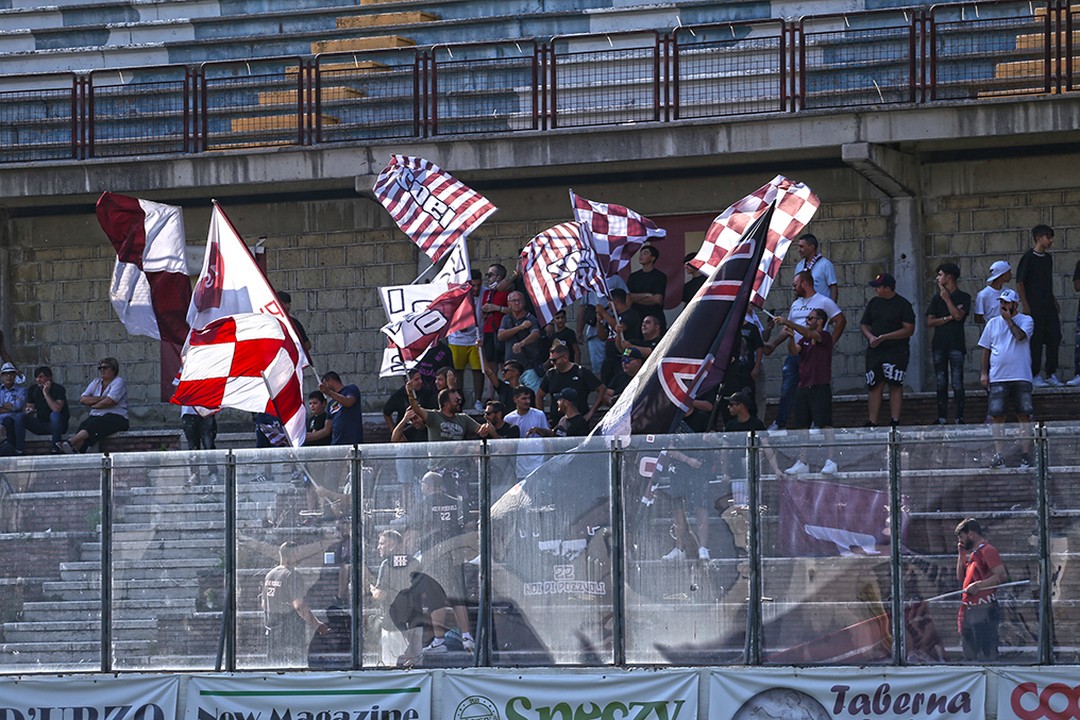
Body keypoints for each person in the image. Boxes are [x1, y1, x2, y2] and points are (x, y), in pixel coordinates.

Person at [763, 271, 845, 432]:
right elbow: (788, 328)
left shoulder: (823, 301)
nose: (793, 288)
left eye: (795, 284)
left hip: (815, 355)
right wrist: (773, 344)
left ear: (805, 284)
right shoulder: (796, 304)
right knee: (789, 387)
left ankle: (817, 422)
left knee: (815, 388)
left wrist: (829, 342)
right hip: (799, 350)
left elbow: (840, 320)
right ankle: (781, 422)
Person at [775, 308, 838, 475]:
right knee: (802, 426)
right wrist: (789, 336)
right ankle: (802, 461)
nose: (808, 321)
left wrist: (788, 322)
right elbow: (794, 351)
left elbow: (812, 336)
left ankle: (831, 460)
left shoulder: (824, 336)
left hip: (820, 385)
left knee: (825, 424)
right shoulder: (803, 339)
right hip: (803, 386)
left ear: (820, 321)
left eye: (811, 318)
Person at [978, 288, 1035, 469]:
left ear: (1014, 304)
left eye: (1006, 303)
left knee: (1024, 415)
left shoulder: (1026, 320)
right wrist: (984, 373)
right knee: (997, 416)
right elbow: (985, 349)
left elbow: (1020, 337)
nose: (1002, 306)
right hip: (998, 377)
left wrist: (1009, 320)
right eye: (1001, 302)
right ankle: (999, 454)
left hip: (1021, 375)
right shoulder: (992, 323)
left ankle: (1025, 454)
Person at [860, 273, 916, 428]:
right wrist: (871, 337)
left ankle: (895, 420)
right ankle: (872, 421)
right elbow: (864, 324)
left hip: (896, 350)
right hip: (875, 350)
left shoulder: (903, 305)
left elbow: (909, 330)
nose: (876, 290)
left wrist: (885, 337)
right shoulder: (873, 303)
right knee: (874, 384)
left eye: (878, 287)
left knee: (895, 384)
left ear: (888, 288)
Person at [263, 541, 329, 666]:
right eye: (298, 553)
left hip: (272, 631)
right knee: (294, 667)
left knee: (274, 668)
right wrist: (317, 625)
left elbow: (264, 604)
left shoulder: (270, 575)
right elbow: (299, 606)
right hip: (290, 632)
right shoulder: (292, 575)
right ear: (292, 555)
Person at [955, 518, 1007, 662]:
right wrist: (961, 555)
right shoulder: (974, 554)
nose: (960, 541)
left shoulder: (988, 551)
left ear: (971, 534)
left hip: (984, 609)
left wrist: (978, 585)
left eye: (962, 537)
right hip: (970, 608)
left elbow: (1001, 575)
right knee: (969, 652)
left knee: (985, 653)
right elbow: (960, 576)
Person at [1016, 224, 1062, 387]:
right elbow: (1020, 281)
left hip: (1048, 302)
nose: (1050, 241)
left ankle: (1051, 372)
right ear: (1038, 238)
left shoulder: (1048, 259)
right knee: (1036, 338)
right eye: (1047, 237)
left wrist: (1053, 299)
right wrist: (1025, 304)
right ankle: (1034, 374)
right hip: (1034, 304)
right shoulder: (1028, 257)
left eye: (1051, 237)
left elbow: (1046, 282)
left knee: (1055, 335)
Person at [926, 262, 971, 425]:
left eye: (940, 274)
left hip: (956, 344)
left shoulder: (964, 297)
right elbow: (930, 322)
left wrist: (947, 300)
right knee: (940, 381)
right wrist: (947, 318)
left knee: (958, 381)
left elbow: (959, 316)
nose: (938, 278)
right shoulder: (935, 299)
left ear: (949, 277)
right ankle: (942, 417)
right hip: (939, 345)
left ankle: (959, 417)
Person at [59, 357, 129, 453]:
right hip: (96, 416)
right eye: (100, 368)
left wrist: (94, 405)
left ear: (113, 369)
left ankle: (71, 442)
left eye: (105, 368)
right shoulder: (96, 382)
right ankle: (76, 449)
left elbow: (111, 401)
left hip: (117, 417)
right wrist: (101, 398)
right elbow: (83, 399)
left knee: (97, 423)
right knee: (85, 424)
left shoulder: (118, 382)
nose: (102, 370)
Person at [535, 340, 605, 425]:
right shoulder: (550, 374)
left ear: (565, 358)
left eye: (554, 360)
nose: (552, 363)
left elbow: (601, 389)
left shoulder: (581, 372)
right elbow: (539, 395)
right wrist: (543, 419)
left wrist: (590, 413)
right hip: (557, 423)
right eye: (551, 360)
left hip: (579, 423)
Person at [448, 270, 486, 411]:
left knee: (478, 370)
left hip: (477, 337)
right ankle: (459, 401)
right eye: (473, 286)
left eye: (478, 285)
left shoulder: (486, 292)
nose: (476, 289)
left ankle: (478, 401)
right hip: (457, 339)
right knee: (458, 372)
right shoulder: (458, 293)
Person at [497, 291, 544, 388]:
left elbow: (536, 334)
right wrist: (520, 327)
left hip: (528, 367)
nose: (516, 303)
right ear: (508, 304)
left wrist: (522, 343)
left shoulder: (530, 318)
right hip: (511, 369)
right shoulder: (506, 319)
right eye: (513, 301)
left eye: (519, 300)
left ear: (524, 302)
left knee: (531, 398)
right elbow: (500, 336)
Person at [596, 288, 643, 385]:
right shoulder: (612, 317)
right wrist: (599, 322)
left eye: (609, 302)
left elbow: (619, 327)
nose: (608, 305)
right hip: (609, 359)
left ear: (615, 301)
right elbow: (602, 336)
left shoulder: (631, 314)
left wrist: (604, 313)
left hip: (622, 358)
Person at [23, 365, 69, 451]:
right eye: (36, 377)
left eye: (41, 377)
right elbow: (30, 407)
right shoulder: (33, 389)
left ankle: (55, 447)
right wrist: (29, 410)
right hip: (41, 423)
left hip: (57, 425)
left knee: (54, 415)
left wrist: (46, 393)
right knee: (20, 417)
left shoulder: (58, 389)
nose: (38, 380)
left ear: (49, 378)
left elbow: (56, 409)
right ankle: (18, 449)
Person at [383, 369, 434, 441]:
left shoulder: (427, 393)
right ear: (407, 381)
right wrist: (394, 430)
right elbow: (386, 412)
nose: (420, 382)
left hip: (423, 432)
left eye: (420, 378)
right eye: (416, 380)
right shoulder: (400, 394)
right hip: (406, 432)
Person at [318, 371, 364, 445]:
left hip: (352, 442)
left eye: (325, 384)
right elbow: (326, 429)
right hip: (336, 443)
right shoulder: (331, 404)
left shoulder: (351, 389)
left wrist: (329, 392)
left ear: (331, 381)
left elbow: (348, 402)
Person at [479, 263, 511, 367]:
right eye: (487, 274)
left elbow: (513, 310)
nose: (487, 278)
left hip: (501, 330)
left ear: (499, 277)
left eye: (490, 275)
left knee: (503, 363)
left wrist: (497, 308)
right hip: (488, 330)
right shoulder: (487, 293)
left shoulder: (508, 292)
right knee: (491, 364)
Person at [627, 244, 667, 326]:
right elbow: (628, 297)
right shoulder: (633, 276)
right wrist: (647, 295)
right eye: (641, 253)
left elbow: (657, 300)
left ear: (653, 258)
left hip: (654, 318)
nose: (641, 255)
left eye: (645, 253)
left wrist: (636, 299)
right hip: (637, 319)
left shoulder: (659, 276)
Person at [793, 233, 838, 301]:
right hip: (803, 308)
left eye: (801, 247)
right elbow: (796, 288)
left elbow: (833, 287)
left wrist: (831, 308)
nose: (798, 250)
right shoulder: (799, 266)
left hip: (820, 308)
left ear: (811, 247)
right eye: (798, 247)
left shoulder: (825, 264)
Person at [181, 405, 217, 485]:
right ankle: (195, 474)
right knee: (193, 446)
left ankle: (213, 473)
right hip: (189, 411)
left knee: (209, 444)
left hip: (207, 410)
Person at [974, 260, 1012, 326]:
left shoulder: (1008, 292)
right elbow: (978, 318)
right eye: (1008, 272)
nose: (1011, 274)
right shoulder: (983, 295)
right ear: (1002, 275)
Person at [0, 362, 26, 454]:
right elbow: (15, 406)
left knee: (10, 420)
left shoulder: (21, 390)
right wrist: (12, 406)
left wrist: (3, 406)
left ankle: (16, 450)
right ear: (1, 376)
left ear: (15, 376)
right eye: (6, 374)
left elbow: (18, 406)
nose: (8, 376)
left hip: (15, 420)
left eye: (11, 373)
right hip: (1, 422)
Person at [278, 291, 313, 358]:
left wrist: (294, 354)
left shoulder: (294, 323)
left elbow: (307, 345)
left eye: (289, 303)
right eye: (285, 303)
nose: (288, 306)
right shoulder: (270, 322)